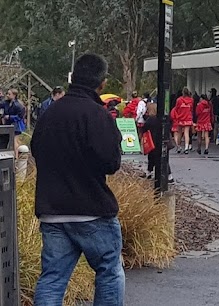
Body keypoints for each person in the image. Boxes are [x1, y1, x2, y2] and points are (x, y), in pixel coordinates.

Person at [31, 53, 124, 305]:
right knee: (109, 272)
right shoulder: (97, 115)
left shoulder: (50, 114)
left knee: (52, 279)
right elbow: (111, 163)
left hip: (53, 212)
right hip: (92, 211)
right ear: (102, 83)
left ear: (73, 79)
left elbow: (36, 150)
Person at [139, 102, 173, 183]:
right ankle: (168, 176)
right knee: (163, 159)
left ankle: (150, 173)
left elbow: (144, 129)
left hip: (153, 142)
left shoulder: (150, 120)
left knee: (152, 158)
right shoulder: (162, 118)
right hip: (163, 141)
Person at [171, 87, 194, 154]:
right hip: (188, 118)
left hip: (180, 118)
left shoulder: (179, 100)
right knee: (186, 133)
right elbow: (191, 109)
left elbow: (176, 108)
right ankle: (186, 147)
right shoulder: (191, 100)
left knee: (179, 133)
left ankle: (179, 146)